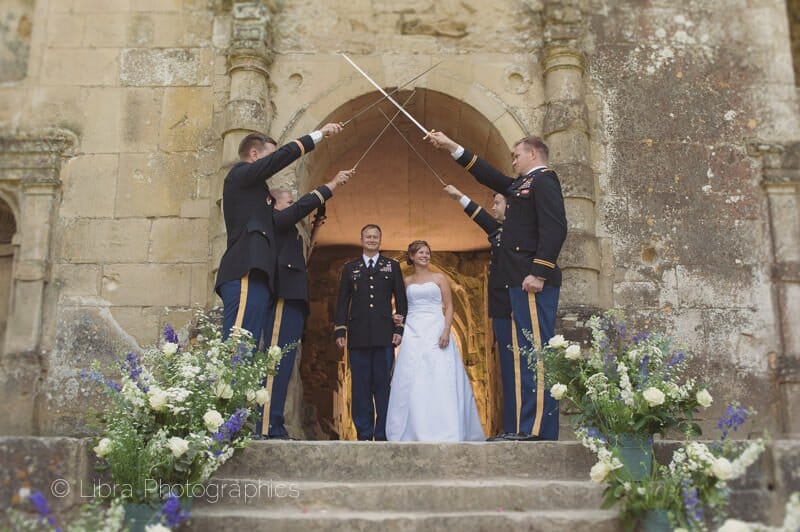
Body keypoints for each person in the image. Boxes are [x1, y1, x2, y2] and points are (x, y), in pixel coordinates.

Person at [429, 132, 567, 441]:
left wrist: (540, 271)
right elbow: (488, 175)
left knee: (535, 353)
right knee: (522, 356)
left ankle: (537, 429)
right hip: (519, 280)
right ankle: (520, 426)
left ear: (533, 154)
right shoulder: (520, 185)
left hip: (532, 280)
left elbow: (556, 227)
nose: (513, 160)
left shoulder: (544, 180)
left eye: (517, 155)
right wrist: (453, 147)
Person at [215, 123, 341, 346]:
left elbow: (285, 218)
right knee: (238, 350)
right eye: (269, 157)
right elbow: (281, 159)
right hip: (245, 269)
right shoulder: (239, 175)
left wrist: (327, 189)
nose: (273, 163)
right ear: (254, 154)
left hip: (259, 275)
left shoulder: (258, 198)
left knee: (248, 354)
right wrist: (319, 135)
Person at [255, 169, 354, 439]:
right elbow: (293, 215)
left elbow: (304, 257)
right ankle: (264, 425)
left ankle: (274, 422)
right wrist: (331, 184)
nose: (293, 207)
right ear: (275, 205)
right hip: (283, 295)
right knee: (273, 361)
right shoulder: (274, 219)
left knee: (284, 363)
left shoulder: (294, 233)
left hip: (296, 298)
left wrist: (316, 227)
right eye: (289, 203)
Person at [385, 240, 484, 442]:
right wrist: (395, 317)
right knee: (413, 377)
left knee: (439, 375)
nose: (425, 255)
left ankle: (446, 427)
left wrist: (446, 330)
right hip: (413, 331)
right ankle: (412, 428)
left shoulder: (440, 278)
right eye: (421, 252)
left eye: (427, 252)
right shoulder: (405, 282)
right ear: (412, 256)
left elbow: (449, 307)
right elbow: (400, 308)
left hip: (436, 328)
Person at [442, 184, 518, 441]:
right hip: (500, 307)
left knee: (517, 371)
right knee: (508, 371)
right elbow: (482, 218)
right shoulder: (499, 231)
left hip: (514, 306)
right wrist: (458, 196)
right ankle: (511, 427)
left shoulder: (519, 232)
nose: (493, 207)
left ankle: (520, 426)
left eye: (497, 202)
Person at [334, 225, 407, 441]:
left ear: (380, 240)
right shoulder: (350, 268)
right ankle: (364, 433)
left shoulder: (391, 266)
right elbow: (342, 302)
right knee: (360, 386)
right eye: (368, 236)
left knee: (383, 385)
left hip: (384, 336)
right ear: (361, 239)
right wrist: (340, 330)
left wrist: (399, 329)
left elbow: (401, 301)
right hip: (357, 336)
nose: (372, 240)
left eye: (375, 237)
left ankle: (382, 432)